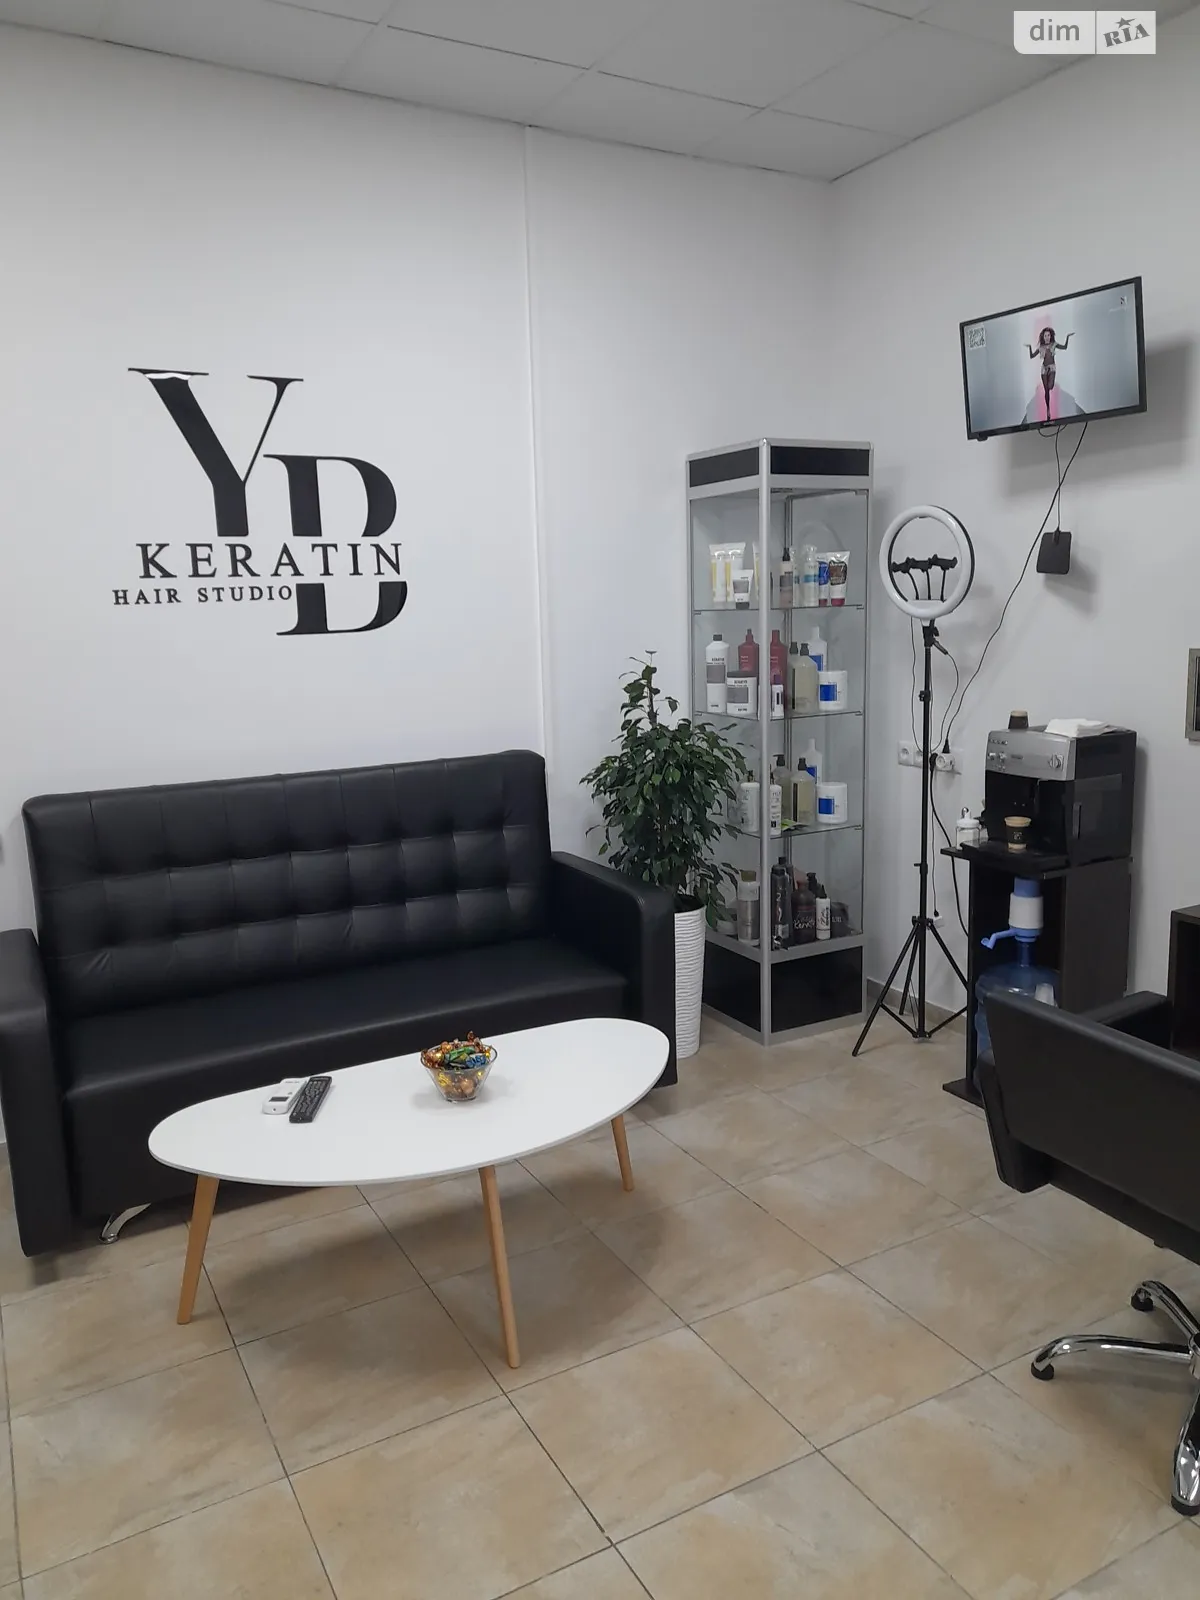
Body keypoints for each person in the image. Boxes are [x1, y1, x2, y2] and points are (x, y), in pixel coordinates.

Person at [1027, 326, 1074, 422]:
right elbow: (1032, 356)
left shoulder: (1054, 344)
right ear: (1043, 337)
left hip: (1052, 367)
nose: (1047, 337)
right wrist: (1030, 348)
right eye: (1045, 336)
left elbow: (1064, 347)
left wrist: (1067, 337)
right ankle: (1048, 410)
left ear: (1050, 336)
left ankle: (1048, 405)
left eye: (1048, 335)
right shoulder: (1041, 347)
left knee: (1050, 386)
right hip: (1044, 369)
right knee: (1046, 390)